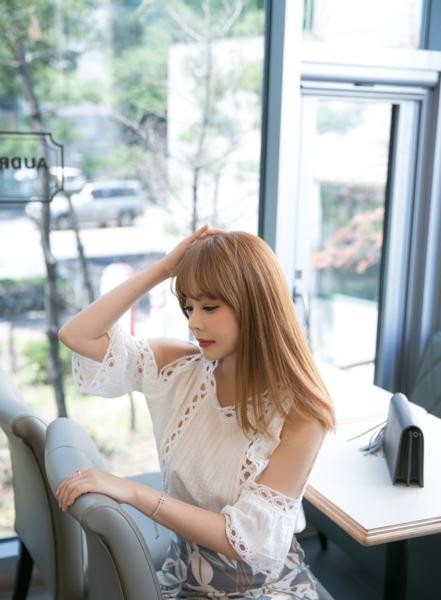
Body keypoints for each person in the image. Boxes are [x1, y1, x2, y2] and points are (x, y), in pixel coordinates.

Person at [57, 226, 336, 599]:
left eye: (209, 307)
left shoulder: (302, 412)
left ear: (255, 304)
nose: (193, 322)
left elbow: (241, 540)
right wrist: (164, 269)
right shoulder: (179, 369)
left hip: (264, 590)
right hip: (184, 577)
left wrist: (135, 492)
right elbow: (77, 335)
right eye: (189, 306)